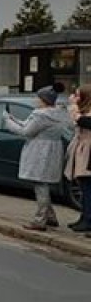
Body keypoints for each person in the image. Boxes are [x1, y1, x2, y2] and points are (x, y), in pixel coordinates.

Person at [3, 83, 70, 231]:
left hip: (39, 150)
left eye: (38, 98)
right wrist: (15, 119)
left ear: (44, 100)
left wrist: (8, 122)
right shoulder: (57, 113)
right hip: (52, 149)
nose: (35, 100)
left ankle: (40, 220)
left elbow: (26, 132)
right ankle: (50, 216)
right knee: (43, 183)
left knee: (40, 185)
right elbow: (29, 125)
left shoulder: (41, 115)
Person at [64, 84, 91, 234]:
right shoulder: (83, 111)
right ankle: (84, 216)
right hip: (82, 151)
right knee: (83, 186)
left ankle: (88, 219)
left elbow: (82, 121)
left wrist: (74, 107)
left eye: (79, 95)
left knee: (88, 187)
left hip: (89, 153)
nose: (76, 98)